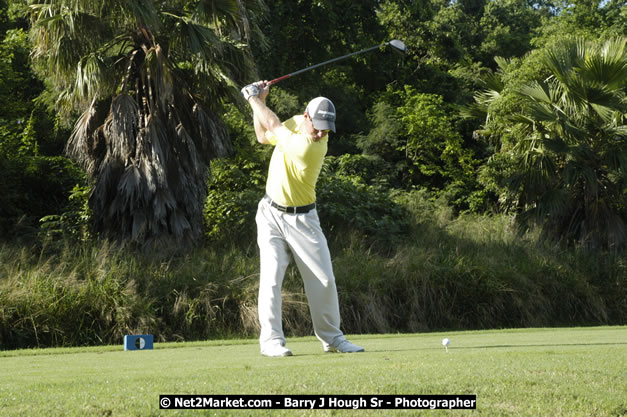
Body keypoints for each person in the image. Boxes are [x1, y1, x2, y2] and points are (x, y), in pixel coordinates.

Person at [241, 81, 365, 357]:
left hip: (304, 219)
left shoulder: (311, 147)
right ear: (306, 116)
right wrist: (258, 102)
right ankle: (271, 341)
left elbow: (273, 127)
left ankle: (332, 339)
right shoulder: (296, 123)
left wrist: (253, 98)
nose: (321, 132)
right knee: (271, 278)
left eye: (326, 128)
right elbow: (263, 135)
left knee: (324, 280)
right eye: (317, 125)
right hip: (270, 214)